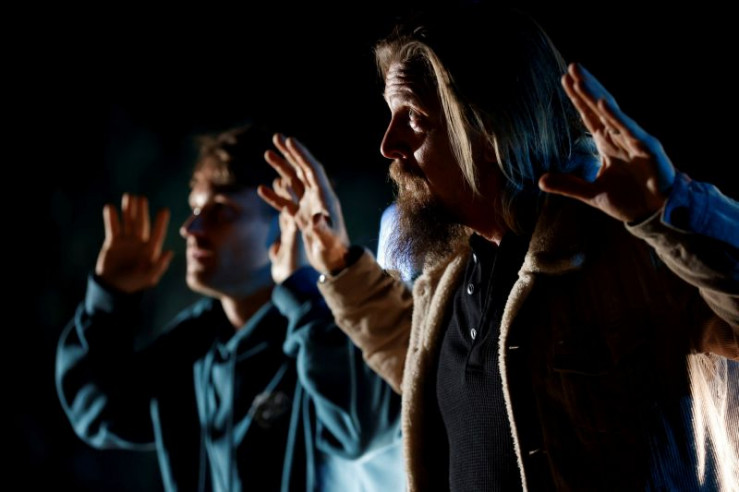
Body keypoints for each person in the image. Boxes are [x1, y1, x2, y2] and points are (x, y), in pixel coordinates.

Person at [256, 5, 739, 491]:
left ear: (491, 127)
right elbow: (425, 370)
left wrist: (674, 210)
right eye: (390, 115)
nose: (388, 144)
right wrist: (338, 262)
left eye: (414, 118)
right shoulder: (451, 276)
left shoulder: (624, 250)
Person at [55, 123, 405, 491]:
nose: (191, 228)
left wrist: (302, 288)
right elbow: (101, 412)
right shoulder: (197, 345)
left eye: (221, 212)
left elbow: (361, 430)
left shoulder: (325, 333)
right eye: (195, 208)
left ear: (287, 219)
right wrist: (109, 300)